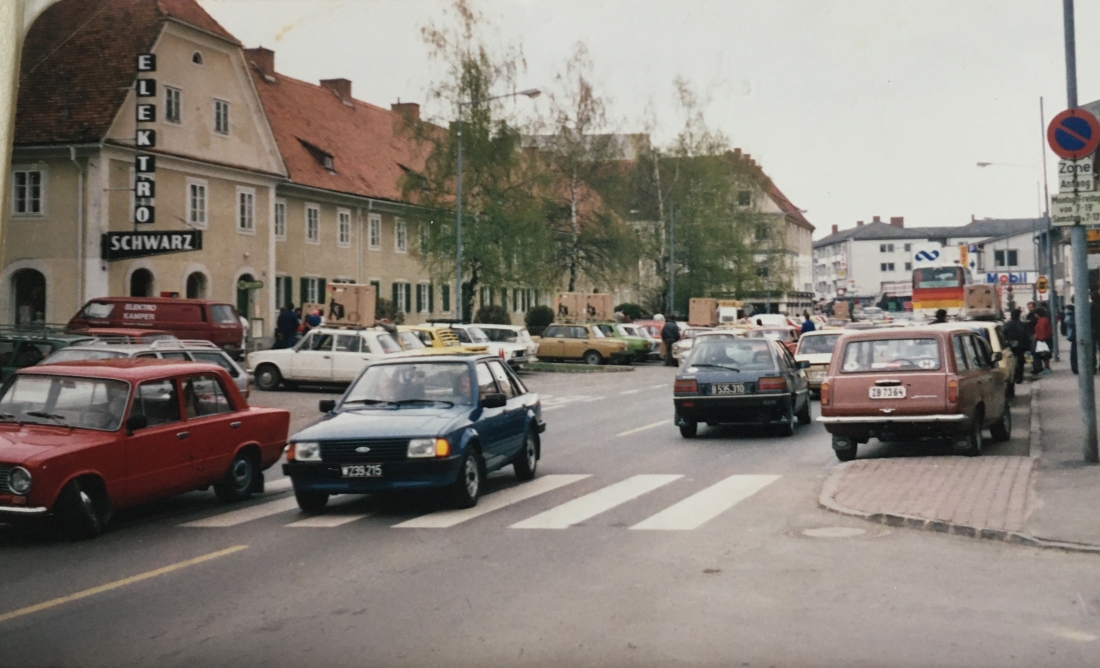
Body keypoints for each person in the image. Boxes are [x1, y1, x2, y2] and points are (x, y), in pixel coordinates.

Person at [1003, 308, 1030, 384]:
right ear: (1019, 316)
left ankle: (1013, 376)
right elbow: (1026, 335)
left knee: (1011, 361)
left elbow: (1004, 334)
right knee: (1020, 361)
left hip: (1010, 345)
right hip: (1021, 346)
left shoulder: (1007, 324)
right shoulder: (1022, 325)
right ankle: (1019, 377)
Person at [1032, 306, 1053, 375]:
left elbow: (1042, 331)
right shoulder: (1044, 320)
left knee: (1043, 353)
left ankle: (1046, 368)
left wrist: (1039, 337)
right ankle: (1047, 367)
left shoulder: (1042, 321)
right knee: (1045, 353)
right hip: (1045, 339)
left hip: (1043, 339)